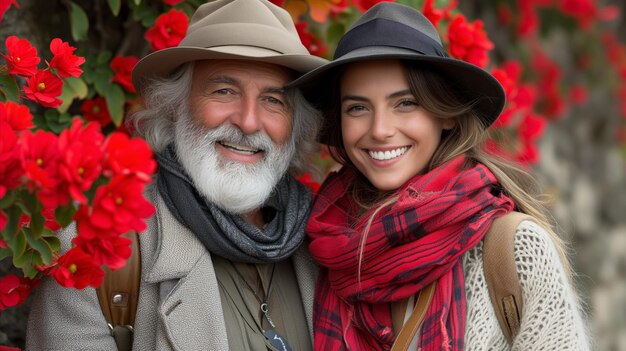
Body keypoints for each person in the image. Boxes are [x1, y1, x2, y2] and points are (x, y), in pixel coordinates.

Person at [25, 0, 328, 350]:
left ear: (295, 126)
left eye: (274, 100)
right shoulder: (97, 253)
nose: (248, 121)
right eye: (224, 91)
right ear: (175, 106)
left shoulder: (324, 247)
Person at [289, 3, 591, 350]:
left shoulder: (516, 249)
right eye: (357, 107)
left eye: (405, 103)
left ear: (445, 114)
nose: (380, 130)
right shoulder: (320, 249)